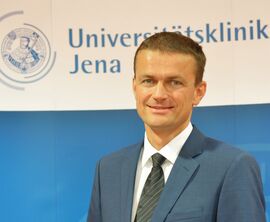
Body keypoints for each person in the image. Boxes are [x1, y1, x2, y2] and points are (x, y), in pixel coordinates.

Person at [87, 32, 266, 222]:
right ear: (135, 87)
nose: (159, 94)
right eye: (148, 81)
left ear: (199, 92)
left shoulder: (232, 167)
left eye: (174, 82)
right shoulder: (108, 169)